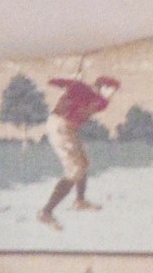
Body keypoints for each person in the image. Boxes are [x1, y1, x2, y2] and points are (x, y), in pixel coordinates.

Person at [42, 73, 123, 227]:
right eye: (111, 89)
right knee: (75, 169)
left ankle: (80, 201)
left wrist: (75, 86)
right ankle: (46, 212)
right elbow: (53, 81)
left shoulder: (102, 102)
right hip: (59, 126)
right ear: (102, 87)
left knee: (83, 163)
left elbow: (97, 103)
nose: (113, 93)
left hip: (69, 128)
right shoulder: (82, 88)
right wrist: (73, 83)